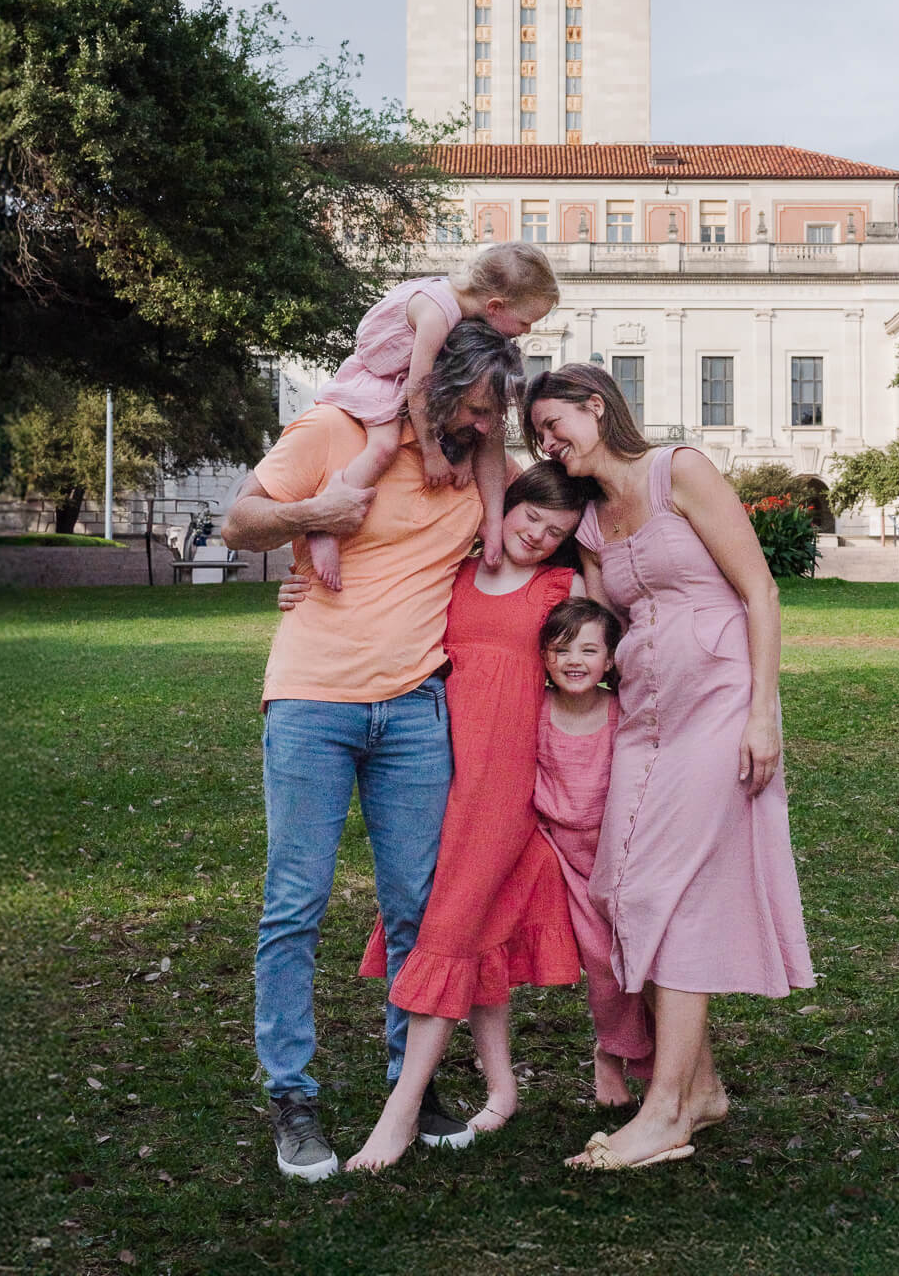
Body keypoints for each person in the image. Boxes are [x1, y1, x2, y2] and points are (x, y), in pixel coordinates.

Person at [220, 320, 523, 1183]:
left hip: (416, 707)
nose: (481, 424)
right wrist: (317, 516)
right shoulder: (335, 429)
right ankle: (292, 1095)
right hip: (313, 700)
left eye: (491, 413)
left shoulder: (473, 456)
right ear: (435, 384)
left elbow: (541, 513)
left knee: (417, 911)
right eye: (470, 405)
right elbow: (240, 519)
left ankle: (411, 1082)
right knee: (295, 902)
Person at [526, 363, 815, 1172]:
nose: (549, 442)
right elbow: (592, 622)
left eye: (556, 424)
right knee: (620, 887)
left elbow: (758, 589)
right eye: (538, 436)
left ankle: (664, 1111)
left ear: (595, 406)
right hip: (643, 715)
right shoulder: (588, 524)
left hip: (719, 703)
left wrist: (762, 712)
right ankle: (703, 1088)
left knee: (673, 889)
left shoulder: (677, 470)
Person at [341, 460, 600, 1172]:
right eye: (531, 519)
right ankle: (502, 1089)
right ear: (506, 505)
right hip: (425, 770)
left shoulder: (561, 587)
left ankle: (399, 1114)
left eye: (556, 532)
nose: (539, 538)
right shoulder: (453, 570)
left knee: (448, 928)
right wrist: (303, 579)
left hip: (500, 782)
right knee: (472, 926)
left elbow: (601, 649)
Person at [305, 244, 559, 589]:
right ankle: (326, 520)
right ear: (495, 307)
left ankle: (492, 525)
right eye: (525, 321)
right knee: (382, 448)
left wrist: (468, 454)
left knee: (488, 428)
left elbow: (470, 412)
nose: (526, 331)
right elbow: (418, 388)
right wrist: (432, 452)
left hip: (403, 381)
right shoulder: (438, 314)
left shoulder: (465, 310)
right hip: (378, 379)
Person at [534, 597, 655, 1110]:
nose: (574, 660)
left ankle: (656, 1065)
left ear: (610, 661)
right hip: (562, 857)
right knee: (604, 968)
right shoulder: (534, 710)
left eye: (589, 649)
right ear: (543, 657)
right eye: (561, 649)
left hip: (620, 858)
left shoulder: (620, 713)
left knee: (646, 962)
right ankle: (612, 1054)